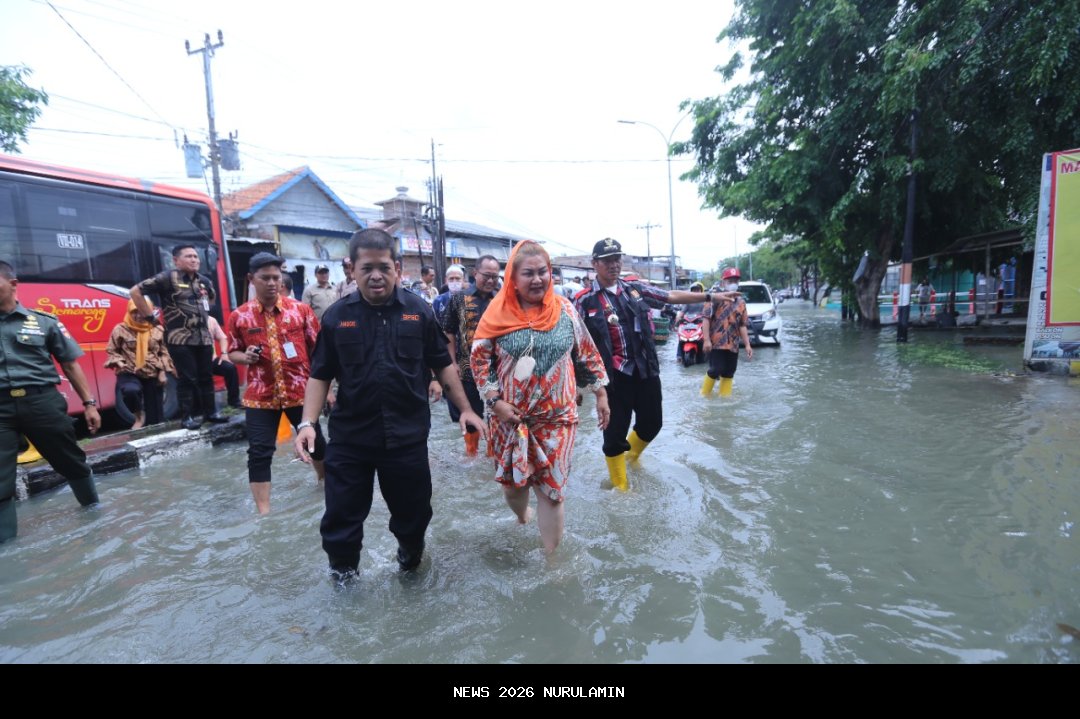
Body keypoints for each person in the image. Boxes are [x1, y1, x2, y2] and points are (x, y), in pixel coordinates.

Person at [293, 228, 485, 581]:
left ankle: (409, 564)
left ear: (397, 267)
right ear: (352, 269)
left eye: (383, 266)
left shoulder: (419, 311)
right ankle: (344, 580)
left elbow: (443, 364)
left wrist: (467, 409)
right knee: (340, 520)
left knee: (413, 518)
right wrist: (307, 424)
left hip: (407, 437)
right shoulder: (336, 317)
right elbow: (319, 375)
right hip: (351, 439)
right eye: (367, 268)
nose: (376, 275)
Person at [471, 241, 609, 553]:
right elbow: (479, 362)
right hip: (510, 417)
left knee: (553, 491)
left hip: (558, 417)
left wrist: (601, 393)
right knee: (514, 486)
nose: (537, 279)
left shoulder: (566, 310)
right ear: (513, 279)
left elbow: (587, 352)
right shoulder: (496, 314)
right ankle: (522, 515)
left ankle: (552, 561)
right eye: (528, 273)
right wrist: (495, 402)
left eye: (543, 272)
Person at [574, 238, 736, 491]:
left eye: (617, 259)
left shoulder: (634, 289)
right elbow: (575, 343)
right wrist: (577, 385)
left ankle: (631, 457)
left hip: (645, 369)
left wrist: (711, 296)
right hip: (612, 378)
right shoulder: (584, 300)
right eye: (607, 261)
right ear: (595, 264)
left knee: (653, 423)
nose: (614, 265)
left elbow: (670, 296)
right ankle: (621, 489)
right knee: (614, 434)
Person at [0, 260, 101, 542]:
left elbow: (70, 365)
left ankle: (94, 515)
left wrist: (89, 403)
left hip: (42, 402)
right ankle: (7, 549)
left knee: (71, 461)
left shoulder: (44, 322)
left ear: (13, 284)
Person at [227, 253, 326, 515]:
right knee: (259, 452)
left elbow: (320, 351)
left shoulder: (300, 311)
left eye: (276, 277)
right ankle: (264, 513)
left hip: (301, 392)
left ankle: (324, 484)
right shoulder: (239, 316)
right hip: (260, 396)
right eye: (265, 278)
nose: (272, 283)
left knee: (317, 444)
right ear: (251, 279)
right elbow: (232, 351)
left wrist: (328, 390)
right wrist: (244, 356)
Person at [130, 243, 227, 430]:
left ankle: (211, 413)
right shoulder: (167, 278)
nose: (194, 260)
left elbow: (211, 300)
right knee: (187, 377)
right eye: (189, 256)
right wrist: (150, 318)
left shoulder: (204, 281)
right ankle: (187, 417)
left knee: (206, 376)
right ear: (176, 260)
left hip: (204, 338)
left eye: (196, 256)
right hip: (179, 339)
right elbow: (135, 291)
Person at [439, 255, 501, 456]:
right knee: (471, 413)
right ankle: (472, 453)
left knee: (497, 415)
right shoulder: (458, 298)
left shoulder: (501, 299)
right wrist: (453, 362)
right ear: (475, 273)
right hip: (467, 369)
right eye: (486, 275)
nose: (490, 280)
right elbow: (448, 330)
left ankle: (493, 454)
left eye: (494, 276)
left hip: (496, 369)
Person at [104, 299, 175, 428]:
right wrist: (119, 362)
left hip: (152, 372)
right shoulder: (120, 329)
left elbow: (164, 353)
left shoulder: (158, 329)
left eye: (142, 311)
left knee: (156, 421)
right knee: (131, 391)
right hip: (129, 371)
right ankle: (138, 416)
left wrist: (163, 372)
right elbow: (111, 351)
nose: (138, 315)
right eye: (134, 312)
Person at [701, 269, 752, 397]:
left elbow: (742, 325)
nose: (733, 283)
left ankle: (725, 399)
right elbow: (706, 319)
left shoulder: (741, 302)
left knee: (729, 371)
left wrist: (747, 345)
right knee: (715, 369)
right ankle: (704, 395)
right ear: (723, 283)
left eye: (735, 281)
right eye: (730, 281)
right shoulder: (714, 298)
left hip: (733, 343)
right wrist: (706, 340)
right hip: (716, 342)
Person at [207, 314, 241, 409]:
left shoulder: (211, 320)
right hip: (195, 362)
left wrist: (224, 353)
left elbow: (222, 338)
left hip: (211, 360)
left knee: (230, 368)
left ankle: (234, 401)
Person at [674, 281, 707, 362]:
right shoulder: (688, 301)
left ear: (701, 291)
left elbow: (708, 313)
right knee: (682, 338)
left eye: (697, 290)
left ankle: (707, 354)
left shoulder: (705, 301)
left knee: (706, 337)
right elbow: (682, 313)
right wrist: (677, 321)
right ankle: (679, 356)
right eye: (694, 290)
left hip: (700, 323)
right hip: (688, 323)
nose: (695, 291)